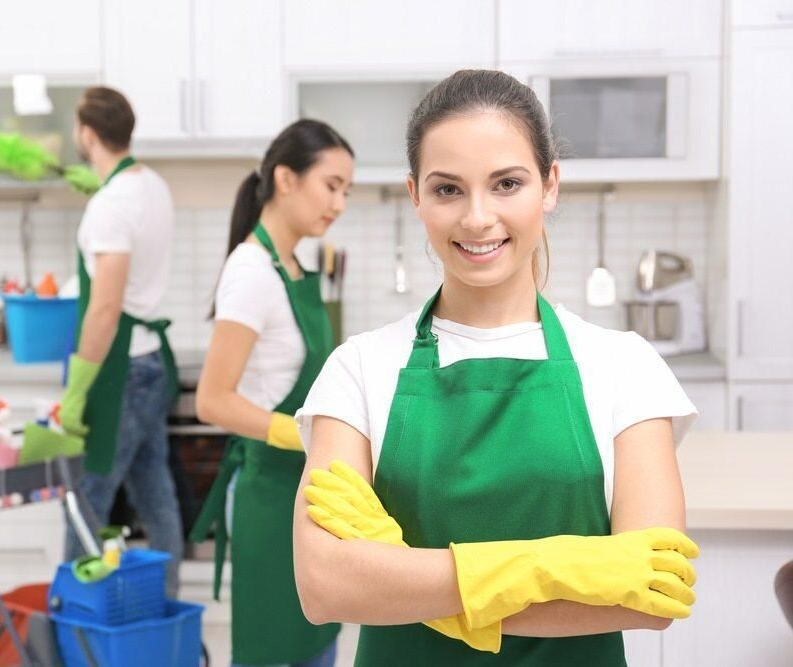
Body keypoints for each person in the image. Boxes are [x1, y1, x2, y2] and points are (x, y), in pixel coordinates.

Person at [292, 70, 700, 664]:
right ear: (416, 196)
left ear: (549, 184)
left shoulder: (623, 366)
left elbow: (653, 596)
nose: (478, 218)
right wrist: (547, 566)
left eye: (506, 183)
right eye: (448, 189)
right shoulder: (358, 368)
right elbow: (325, 586)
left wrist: (406, 580)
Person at [190, 119, 354, 667]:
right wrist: (297, 433)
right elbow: (211, 399)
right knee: (271, 648)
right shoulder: (251, 271)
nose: (340, 203)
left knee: (316, 641)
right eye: (331, 185)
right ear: (286, 178)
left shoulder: (292, 266)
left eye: (346, 191)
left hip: (305, 488)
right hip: (268, 492)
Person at [60, 86, 184, 598]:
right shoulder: (151, 185)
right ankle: (167, 602)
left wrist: (77, 387)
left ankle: (73, 616)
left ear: (87, 134)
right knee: (155, 494)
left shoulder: (110, 207)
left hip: (120, 373)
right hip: (152, 363)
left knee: (87, 494)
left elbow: (105, 308)